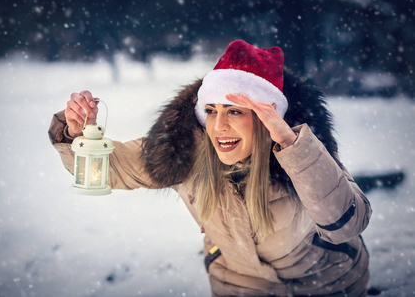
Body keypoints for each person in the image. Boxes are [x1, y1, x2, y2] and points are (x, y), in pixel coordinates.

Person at [48, 40, 372, 296]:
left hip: (328, 284)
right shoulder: (186, 152)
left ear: (266, 118)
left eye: (235, 111)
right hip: (239, 287)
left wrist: (292, 147)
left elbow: (346, 224)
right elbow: (106, 168)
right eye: (211, 110)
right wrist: (77, 133)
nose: (219, 126)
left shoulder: (302, 153)